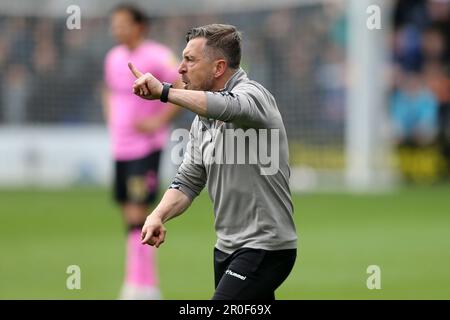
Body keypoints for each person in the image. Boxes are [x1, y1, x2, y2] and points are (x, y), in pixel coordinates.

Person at [129, 24, 297, 300]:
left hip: (265, 246)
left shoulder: (255, 96)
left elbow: (228, 106)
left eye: (190, 60)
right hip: (226, 249)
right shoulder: (202, 121)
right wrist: (158, 215)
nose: (180, 68)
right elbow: (188, 181)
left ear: (219, 68)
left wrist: (165, 92)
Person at [103, 4, 181, 300]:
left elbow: (181, 84)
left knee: (140, 216)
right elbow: (109, 91)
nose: (117, 29)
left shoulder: (158, 55)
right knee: (129, 217)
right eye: (115, 24)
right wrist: (112, 117)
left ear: (140, 26)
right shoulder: (112, 58)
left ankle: (144, 287)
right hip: (120, 147)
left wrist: (159, 120)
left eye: (123, 24)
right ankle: (137, 283)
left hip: (144, 148)